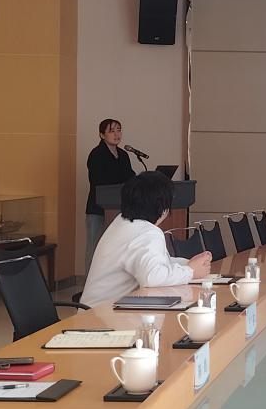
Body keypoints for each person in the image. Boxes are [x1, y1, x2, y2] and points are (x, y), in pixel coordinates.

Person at [81, 172, 212, 306]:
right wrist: (190, 271)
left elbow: (156, 263)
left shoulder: (124, 222)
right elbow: (152, 277)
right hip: (101, 314)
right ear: (162, 208)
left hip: (97, 310)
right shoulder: (146, 232)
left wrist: (189, 264)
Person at [85, 118, 135, 274]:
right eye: (111, 131)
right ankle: (90, 283)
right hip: (98, 209)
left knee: (116, 249)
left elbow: (130, 177)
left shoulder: (123, 155)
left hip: (119, 209)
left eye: (118, 130)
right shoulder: (96, 154)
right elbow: (98, 181)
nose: (116, 134)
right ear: (102, 135)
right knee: (95, 247)